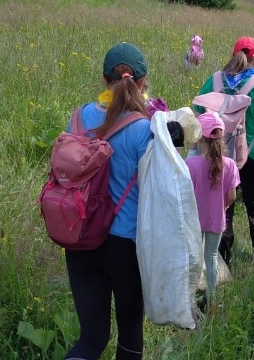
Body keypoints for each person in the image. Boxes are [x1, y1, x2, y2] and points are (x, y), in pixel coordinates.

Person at [62, 42, 153, 360]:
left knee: (91, 339)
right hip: (123, 245)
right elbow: (157, 193)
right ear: (142, 82)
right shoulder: (145, 129)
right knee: (130, 337)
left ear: (104, 80)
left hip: (79, 237)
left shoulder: (77, 118)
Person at [193, 36, 254, 266]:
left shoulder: (215, 80)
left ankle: (222, 260)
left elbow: (198, 113)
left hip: (217, 153)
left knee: (223, 208)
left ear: (233, 55)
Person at [185, 112, 239, 313]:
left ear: (199, 136)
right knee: (212, 257)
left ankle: (190, 300)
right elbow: (232, 196)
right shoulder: (230, 164)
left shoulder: (192, 164)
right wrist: (222, 207)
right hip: (217, 218)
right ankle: (211, 298)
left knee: (194, 258)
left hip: (194, 219)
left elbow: (186, 193)